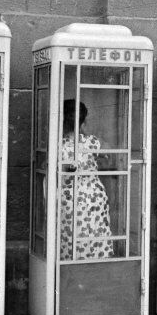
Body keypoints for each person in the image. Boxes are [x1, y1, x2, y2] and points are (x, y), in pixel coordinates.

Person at [58, 99, 113, 261]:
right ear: (83, 121)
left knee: (70, 238)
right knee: (95, 238)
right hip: (94, 198)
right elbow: (110, 152)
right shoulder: (92, 142)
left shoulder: (58, 144)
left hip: (70, 199)